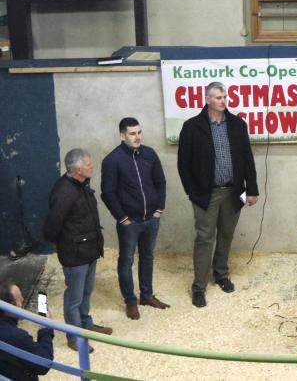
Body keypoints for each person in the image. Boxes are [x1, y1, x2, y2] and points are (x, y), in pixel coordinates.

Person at [177, 82, 259, 308]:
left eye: (225, 97)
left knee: (226, 235)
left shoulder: (237, 125)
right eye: (218, 97)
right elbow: (183, 164)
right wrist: (192, 191)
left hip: (233, 191)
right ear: (208, 100)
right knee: (205, 238)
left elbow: (247, 159)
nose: (223, 101)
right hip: (206, 194)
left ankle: (221, 274)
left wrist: (252, 190)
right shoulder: (192, 127)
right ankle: (199, 286)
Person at [42, 148, 112, 351]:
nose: (92, 166)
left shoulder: (81, 184)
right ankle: (74, 337)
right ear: (78, 170)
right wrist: (65, 245)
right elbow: (52, 226)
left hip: (89, 251)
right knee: (74, 298)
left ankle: (86, 325)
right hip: (75, 255)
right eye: (89, 164)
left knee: (86, 292)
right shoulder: (64, 192)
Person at [101, 117, 170, 320]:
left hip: (151, 218)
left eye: (139, 132)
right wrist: (122, 218)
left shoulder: (149, 154)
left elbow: (161, 182)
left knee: (147, 256)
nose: (137, 137)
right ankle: (130, 301)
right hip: (130, 222)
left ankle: (146, 296)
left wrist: (159, 208)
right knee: (126, 260)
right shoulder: (112, 160)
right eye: (132, 133)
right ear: (122, 136)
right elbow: (108, 193)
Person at [0, 281, 53, 380]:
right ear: (9, 307)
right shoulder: (17, 337)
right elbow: (43, 365)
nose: (23, 300)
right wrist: (45, 328)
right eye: (19, 300)